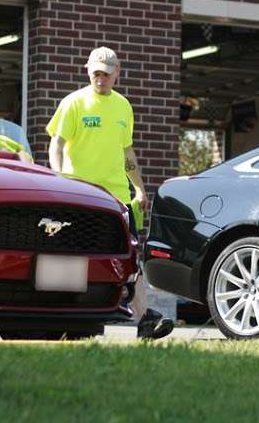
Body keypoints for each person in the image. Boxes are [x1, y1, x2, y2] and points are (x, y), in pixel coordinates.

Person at [46, 46, 173, 340]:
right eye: (96, 73)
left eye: (106, 73)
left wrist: (139, 188)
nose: (100, 79)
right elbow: (57, 144)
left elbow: (126, 151)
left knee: (129, 257)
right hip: (80, 197)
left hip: (118, 198)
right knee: (73, 258)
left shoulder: (123, 107)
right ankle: (69, 320)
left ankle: (145, 321)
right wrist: (59, 179)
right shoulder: (74, 103)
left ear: (117, 72)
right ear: (88, 71)